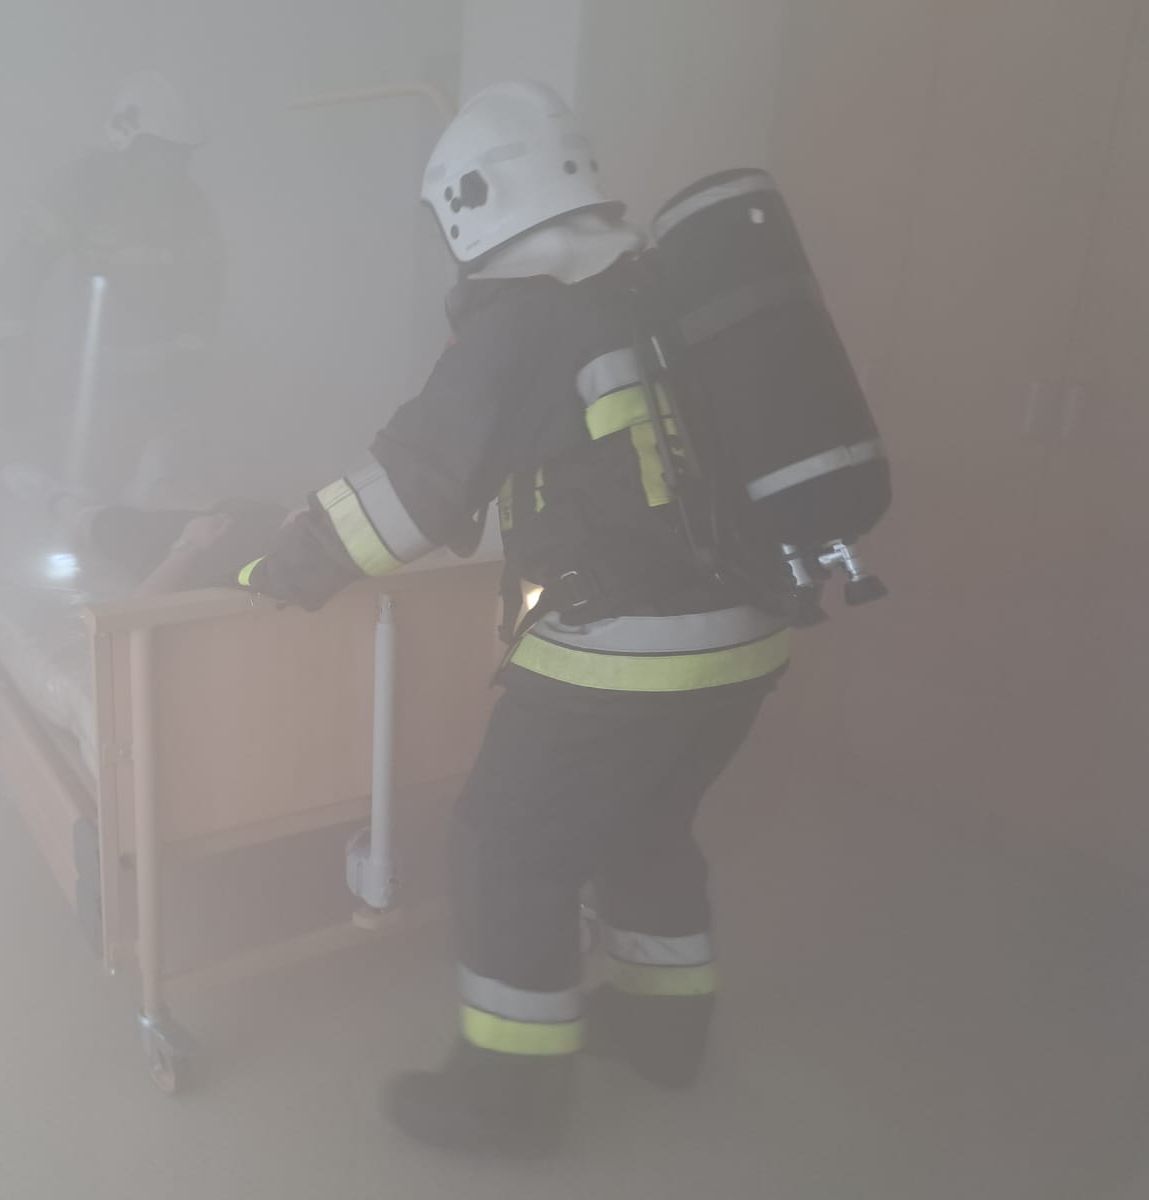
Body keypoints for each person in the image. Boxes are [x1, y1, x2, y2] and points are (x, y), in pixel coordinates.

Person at [232, 82, 790, 1157]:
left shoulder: (527, 315)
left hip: (624, 654)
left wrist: (279, 568)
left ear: (465, 207)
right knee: (647, 824)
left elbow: (410, 491)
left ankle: (508, 1097)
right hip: (746, 638)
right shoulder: (652, 287)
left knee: (506, 847)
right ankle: (665, 1028)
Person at [0, 70, 225, 503]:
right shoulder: (79, 190)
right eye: (162, 154)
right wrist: (11, 359)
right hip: (82, 371)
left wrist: (186, 373)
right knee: (66, 484)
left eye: (181, 157)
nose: (173, 169)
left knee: (152, 492)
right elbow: (20, 274)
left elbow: (206, 295)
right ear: (125, 140)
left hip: (158, 379)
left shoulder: (191, 207)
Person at [1, 462, 285, 596]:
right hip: (196, 526)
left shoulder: (270, 572)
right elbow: (225, 508)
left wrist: (188, 544)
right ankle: (156, 498)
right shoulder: (279, 519)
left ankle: (54, 498)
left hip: (154, 550)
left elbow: (139, 608)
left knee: (93, 520)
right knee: (245, 510)